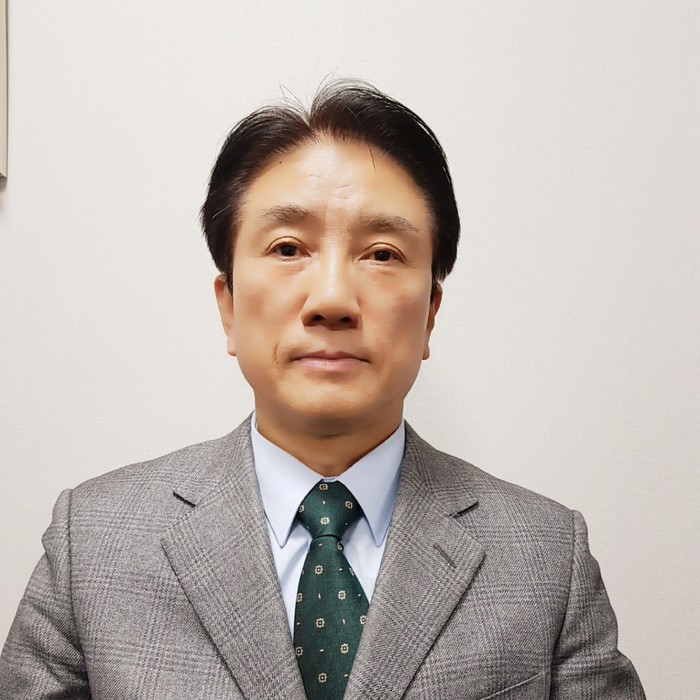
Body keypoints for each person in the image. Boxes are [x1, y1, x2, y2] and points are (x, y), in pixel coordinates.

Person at [0, 81, 645, 700]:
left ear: (430, 314)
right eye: (287, 248)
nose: (332, 298)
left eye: (382, 253)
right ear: (228, 306)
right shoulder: (93, 543)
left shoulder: (546, 558)